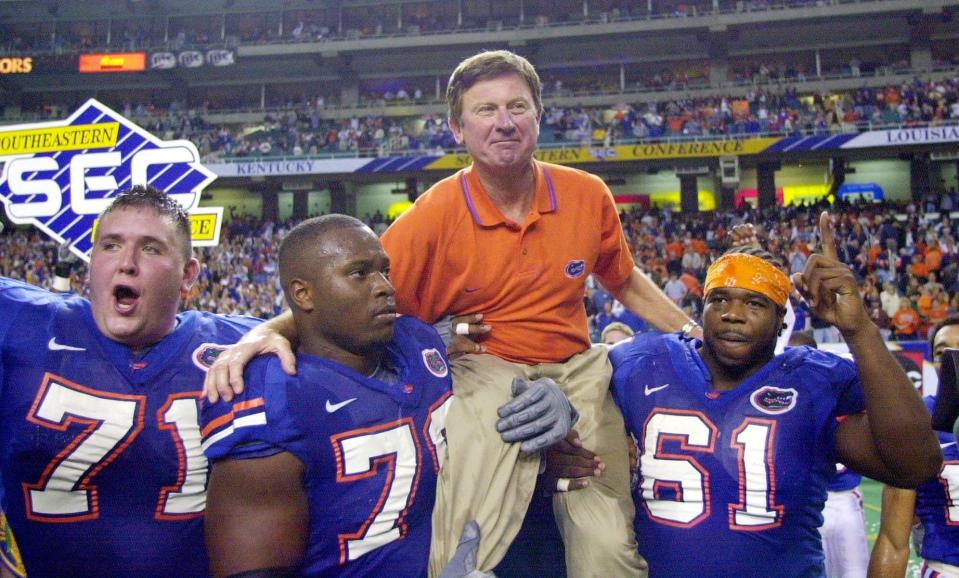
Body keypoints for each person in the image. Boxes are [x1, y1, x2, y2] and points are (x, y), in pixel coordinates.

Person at [205, 49, 697, 577]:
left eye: (517, 106)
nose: (504, 122)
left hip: (576, 369)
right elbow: (355, 293)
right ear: (457, 129)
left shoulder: (587, 194)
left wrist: (690, 331)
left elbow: (621, 277)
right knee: (469, 531)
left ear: (539, 115)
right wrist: (269, 330)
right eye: (485, 110)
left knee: (605, 540)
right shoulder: (433, 215)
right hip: (484, 366)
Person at [199, 215, 572, 577]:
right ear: (302, 294)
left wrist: (549, 415)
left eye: (385, 271)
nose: (384, 287)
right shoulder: (272, 399)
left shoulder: (419, 343)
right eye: (359, 273)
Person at [605, 213, 940, 576]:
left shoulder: (808, 381)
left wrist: (858, 328)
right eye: (719, 299)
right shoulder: (642, 363)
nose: (732, 314)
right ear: (701, 307)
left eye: (754, 304)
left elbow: (915, 466)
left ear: (782, 319)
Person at [0, 185, 261, 577]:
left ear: (188, 274)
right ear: (91, 263)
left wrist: (282, 327)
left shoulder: (237, 344)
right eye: (110, 245)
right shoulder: (24, 322)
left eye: (151, 248)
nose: (127, 263)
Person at [868, 316, 959, 578]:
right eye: (943, 352)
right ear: (933, 362)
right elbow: (894, 540)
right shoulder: (917, 421)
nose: (954, 359)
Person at [788, 331, 870, 578]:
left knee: (855, 572)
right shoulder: (771, 401)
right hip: (800, 502)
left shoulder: (838, 393)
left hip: (843, 496)